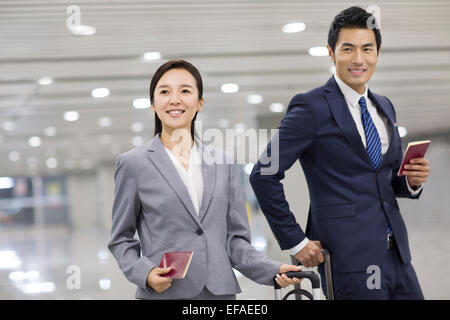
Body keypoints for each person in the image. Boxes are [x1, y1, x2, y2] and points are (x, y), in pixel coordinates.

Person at [250, 6, 430, 300]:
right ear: (331, 52)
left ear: (377, 53)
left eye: (367, 49)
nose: (358, 59)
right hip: (350, 261)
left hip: (398, 256)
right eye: (348, 49)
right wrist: (296, 241)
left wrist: (412, 181)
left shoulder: (384, 106)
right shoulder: (311, 107)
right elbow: (263, 174)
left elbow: (384, 181)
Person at [108, 59, 301, 300]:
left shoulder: (223, 162)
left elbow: (236, 241)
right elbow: (121, 239)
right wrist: (145, 274)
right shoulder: (134, 164)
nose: (175, 99)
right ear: (153, 103)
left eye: (185, 91)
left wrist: (273, 269)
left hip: (219, 294)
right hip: (165, 293)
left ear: (200, 102)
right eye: (165, 91)